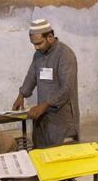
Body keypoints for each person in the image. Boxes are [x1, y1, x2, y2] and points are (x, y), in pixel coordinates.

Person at [12, 19, 79, 148]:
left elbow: (67, 88)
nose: (36, 47)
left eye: (39, 43)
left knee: (61, 153)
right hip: (43, 114)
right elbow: (32, 75)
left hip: (62, 116)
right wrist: (22, 95)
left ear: (50, 37)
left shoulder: (65, 55)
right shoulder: (38, 54)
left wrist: (46, 104)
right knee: (41, 151)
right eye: (33, 44)